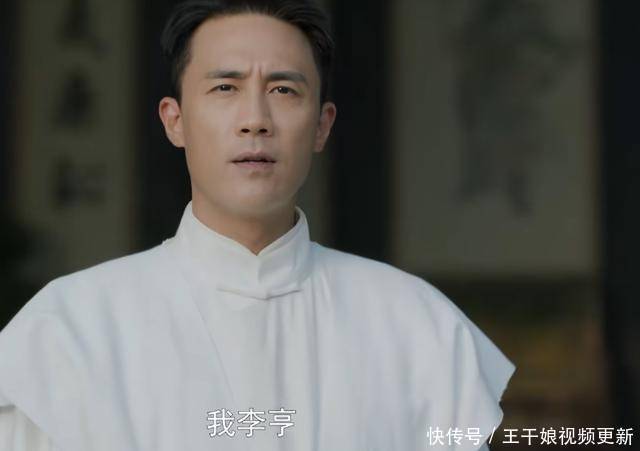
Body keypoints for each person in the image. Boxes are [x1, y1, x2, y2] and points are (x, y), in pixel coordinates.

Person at [0, 0, 514, 450]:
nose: (255, 120)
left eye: (284, 90)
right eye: (225, 87)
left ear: (322, 125)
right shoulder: (69, 329)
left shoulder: (416, 325)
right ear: (174, 120)